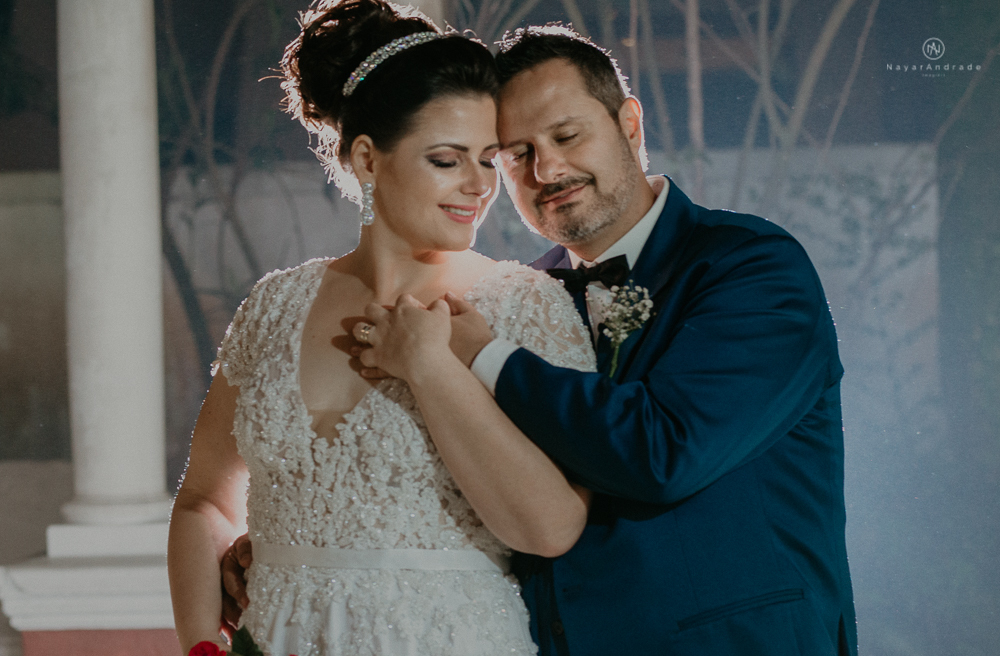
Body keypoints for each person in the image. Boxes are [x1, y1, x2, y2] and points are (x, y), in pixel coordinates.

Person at [221, 22, 858, 656]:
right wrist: (304, 544)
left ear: (629, 124)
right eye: (516, 153)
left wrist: (487, 356)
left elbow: (664, 453)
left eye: (566, 135)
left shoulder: (751, 267)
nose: (546, 168)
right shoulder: (519, 296)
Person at [167, 3, 598, 655]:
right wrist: (202, 645)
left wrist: (430, 369)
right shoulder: (276, 306)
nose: (480, 185)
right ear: (368, 159)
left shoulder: (525, 304)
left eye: (489, 159)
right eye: (448, 159)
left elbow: (551, 528)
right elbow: (203, 499)